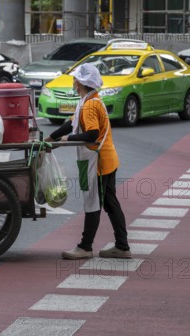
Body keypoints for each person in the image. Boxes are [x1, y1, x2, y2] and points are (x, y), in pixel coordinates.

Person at [45, 63, 131, 260]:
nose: (73, 82)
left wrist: (67, 139)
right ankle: (122, 246)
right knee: (109, 203)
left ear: (80, 82)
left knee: (93, 203)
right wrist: (50, 139)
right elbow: (71, 124)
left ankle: (85, 247)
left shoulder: (90, 104)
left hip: (98, 162)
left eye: (75, 79)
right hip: (106, 159)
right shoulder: (89, 100)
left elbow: (91, 133)